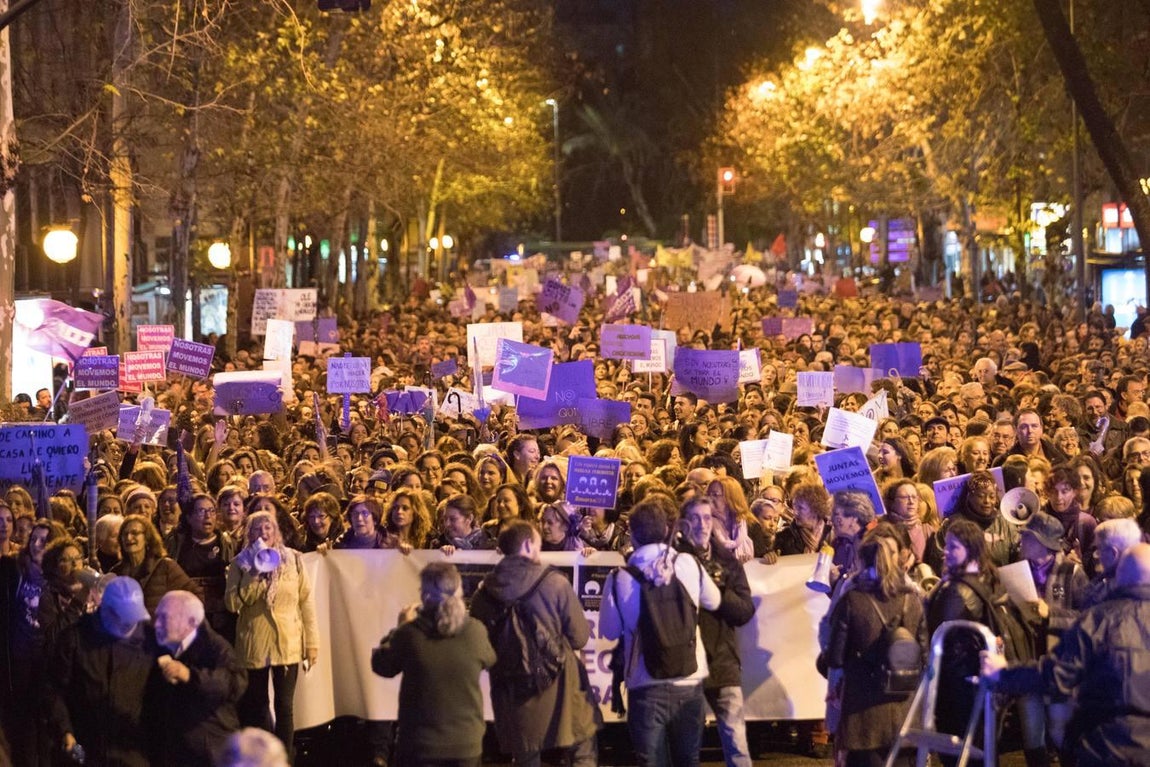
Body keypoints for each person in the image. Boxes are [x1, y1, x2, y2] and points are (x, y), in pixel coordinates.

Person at [980, 543, 1150, 767]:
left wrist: (1003, 673)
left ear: (1120, 575)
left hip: (1105, 748)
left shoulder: (1099, 620)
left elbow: (1057, 674)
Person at [600, 496, 722, 767]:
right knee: (688, 760)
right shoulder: (688, 564)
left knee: (652, 762)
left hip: (645, 684)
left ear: (633, 535)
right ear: (667, 530)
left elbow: (609, 631)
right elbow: (714, 601)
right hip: (689, 679)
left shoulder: (619, 578)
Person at [469, 520, 601, 767]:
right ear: (529, 545)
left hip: (511, 687)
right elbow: (580, 637)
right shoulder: (555, 582)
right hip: (560, 683)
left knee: (526, 755)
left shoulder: (483, 594)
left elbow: (478, 645)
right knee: (582, 748)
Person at [371, 562, 496, 767]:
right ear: (459, 590)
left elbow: (381, 664)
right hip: (465, 745)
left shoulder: (409, 634)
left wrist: (399, 627)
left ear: (424, 596)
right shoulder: (475, 631)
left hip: (419, 746)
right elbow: (490, 660)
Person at [225, 511, 319, 763]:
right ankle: (264, 758)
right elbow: (233, 604)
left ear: (276, 531)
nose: (263, 533)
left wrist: (312, 643)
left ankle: (284, 759)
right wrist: (255, 573)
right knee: (258, 705)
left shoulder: (293, 559)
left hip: (287, 641)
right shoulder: (240, 563)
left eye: (268, 528)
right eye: (257, 529)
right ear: (250, 533)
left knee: (285, 706)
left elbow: (306, 602)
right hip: (254, 642)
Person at [824, 536, 925, 767]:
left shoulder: (852, 601)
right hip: (905, 710)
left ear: (861, 562)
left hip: (863, 714)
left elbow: (835, 657)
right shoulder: (912, 600)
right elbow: (925, 654)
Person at [674, 496, 756, 767]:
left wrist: (718, 591)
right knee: (687, 747)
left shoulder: (727, 561)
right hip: (686, 665)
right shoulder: (672, 561)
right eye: (695, 518)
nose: (703, 524)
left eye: (707, 517)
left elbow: (745, 611)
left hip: (722, 660)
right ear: (683, 524)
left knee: (737, 743)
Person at [44, 576, 156, 767]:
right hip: (85, 749)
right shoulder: (75, 639)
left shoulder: (150, 641)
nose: (130, 625)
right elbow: (53, 689)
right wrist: (65, 731)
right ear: (106, 611)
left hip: (132, 753)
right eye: (124, 619)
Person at [150, 590, 247, 766]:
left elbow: (235, 682)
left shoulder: (215, 647)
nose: (157, 624)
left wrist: (189, 675)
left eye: (164, 618)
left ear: (191, 622)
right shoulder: (164, 647)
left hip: (210, 751)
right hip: (179, 750)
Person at [113, 513, 202, 614]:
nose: (128, 538)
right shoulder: (116, 572)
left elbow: (196, 596)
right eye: (124, 534)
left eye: (135, 533)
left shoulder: (166, 567)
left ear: (146, 538)